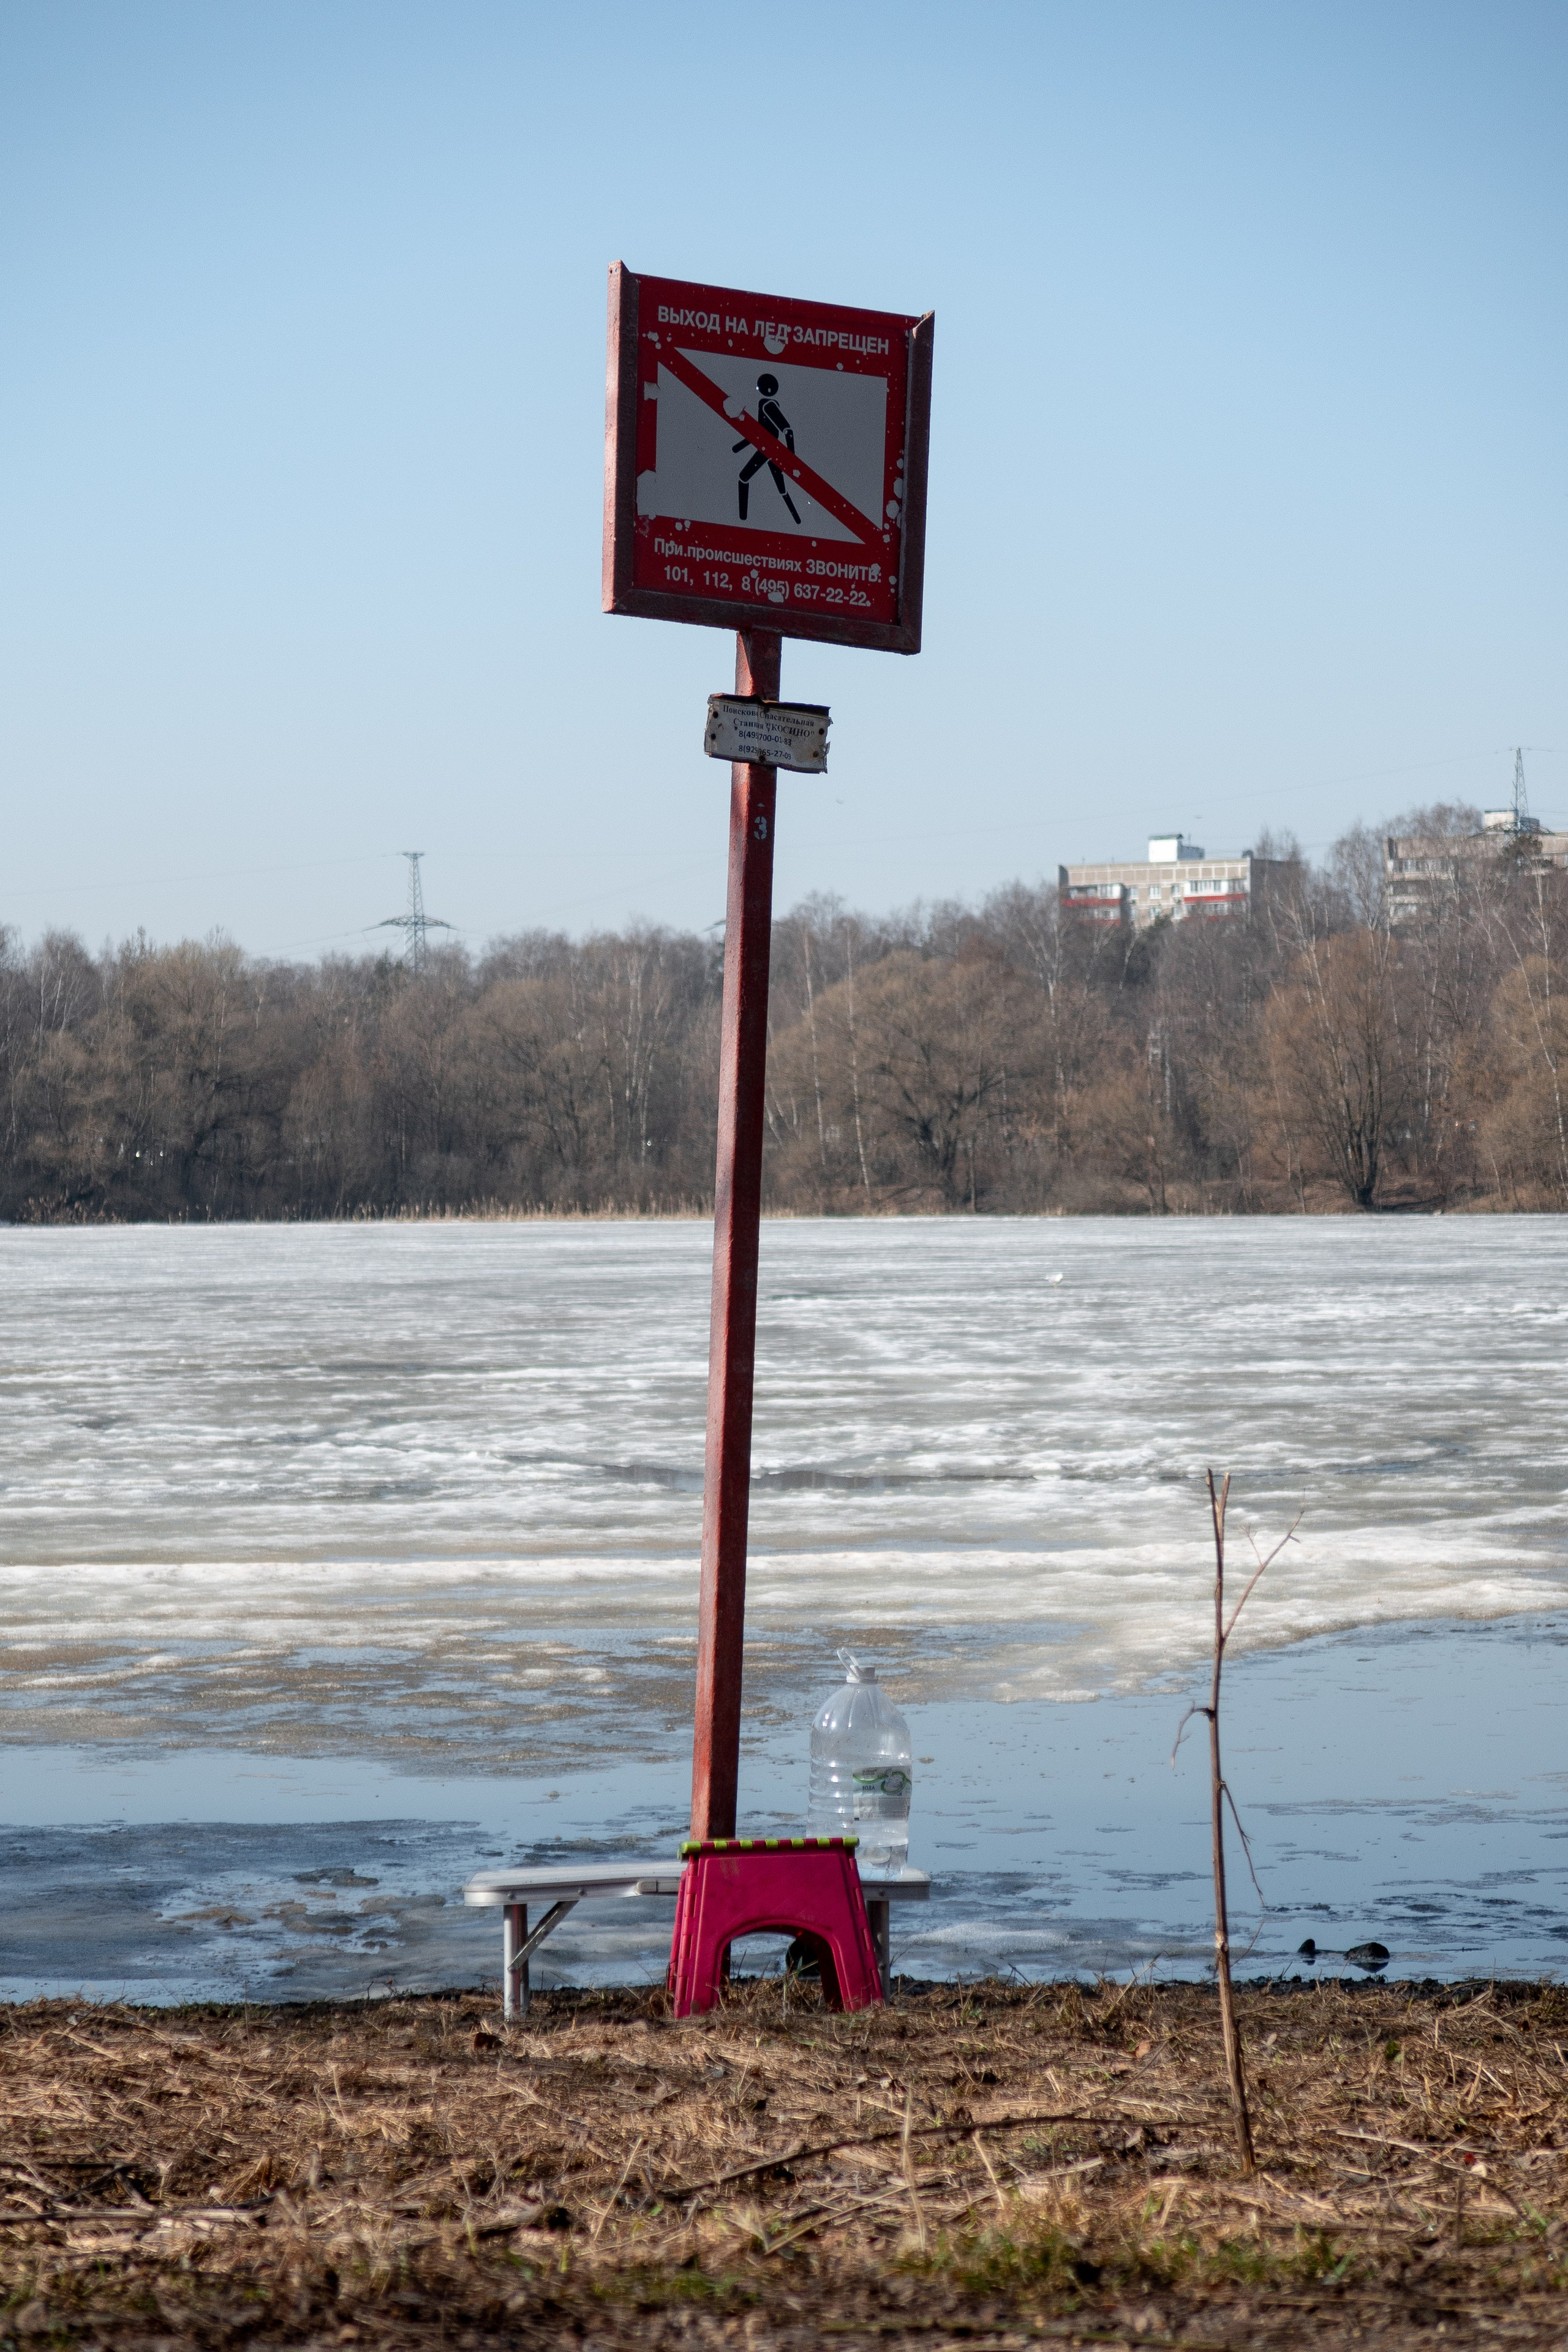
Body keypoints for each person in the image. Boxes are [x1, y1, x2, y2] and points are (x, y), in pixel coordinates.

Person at [734, 374, 802, 524]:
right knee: (782, 488)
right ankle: (797, 520)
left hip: (769, 450)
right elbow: (758, 433)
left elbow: (787, 430)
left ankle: (742, 520)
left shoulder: (768, 406)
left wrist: (791, 458)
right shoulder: (765, 404)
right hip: (768, 448)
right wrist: (739, 447)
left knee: (744, 478)